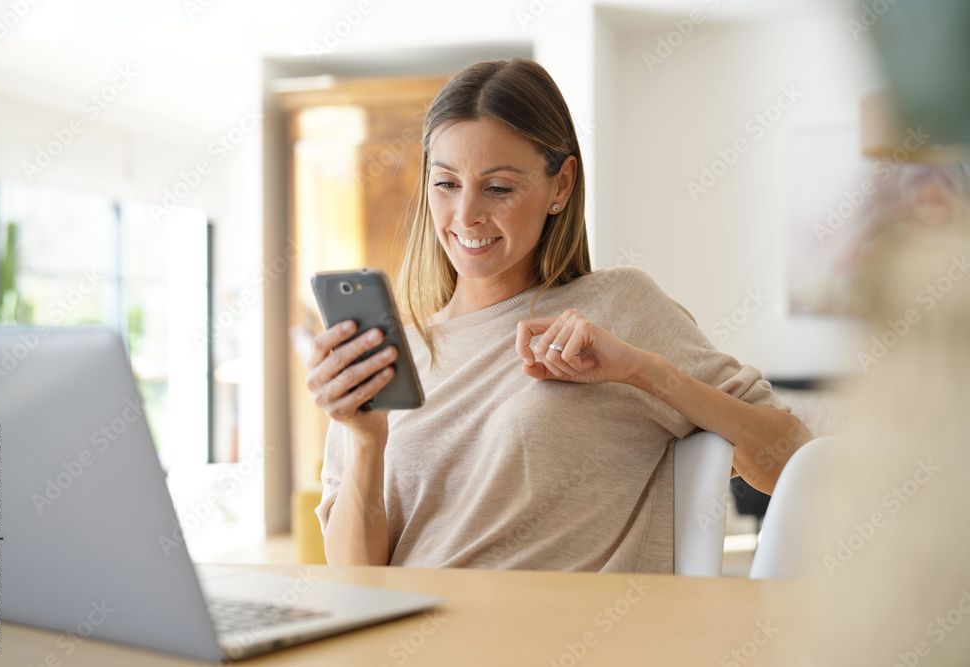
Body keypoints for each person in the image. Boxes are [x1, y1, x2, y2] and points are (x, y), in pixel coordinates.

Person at [306, 58, 812, 573]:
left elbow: (793, 461)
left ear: (561, 186)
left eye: (499, 187)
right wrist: (366, 441)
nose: (466, 215)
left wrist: (646, 373)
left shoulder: (617, 308)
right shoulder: (394, 354)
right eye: (446, 184)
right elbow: (356, 582)